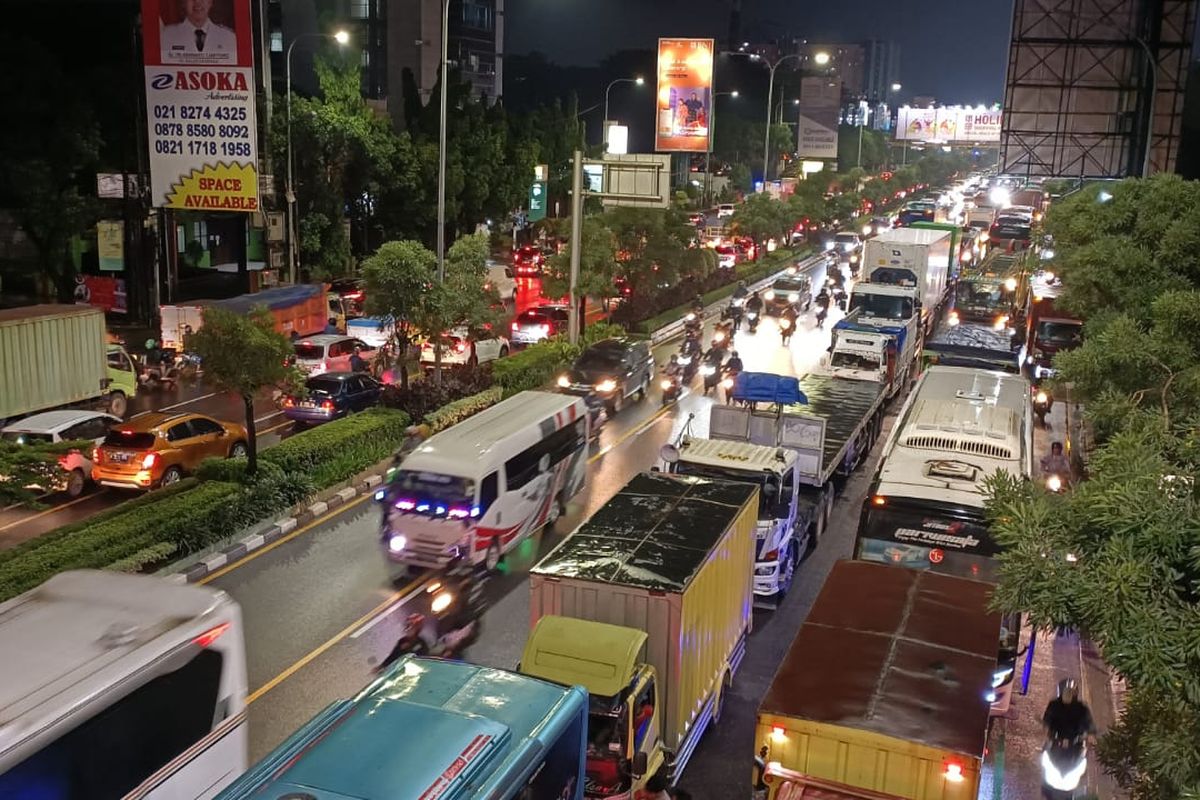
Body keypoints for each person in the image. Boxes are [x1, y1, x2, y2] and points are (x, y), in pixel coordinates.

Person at [160, 0, 238, 63]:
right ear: (184, 2)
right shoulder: (165, 36)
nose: (197, 2)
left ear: (210, 2)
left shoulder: (229, 38)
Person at [1042, 678, 1096, 744]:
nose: (1068, 694)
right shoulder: (1054, 705)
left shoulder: (1082, 707)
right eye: (1066, 692)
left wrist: (1090, 732)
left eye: (1070, 692)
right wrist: (1046, 726)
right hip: (1055, 741)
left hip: (1076, 743)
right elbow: (1047, 718)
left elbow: (1089, 722)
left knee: (1088, 751)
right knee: (1044, 750)